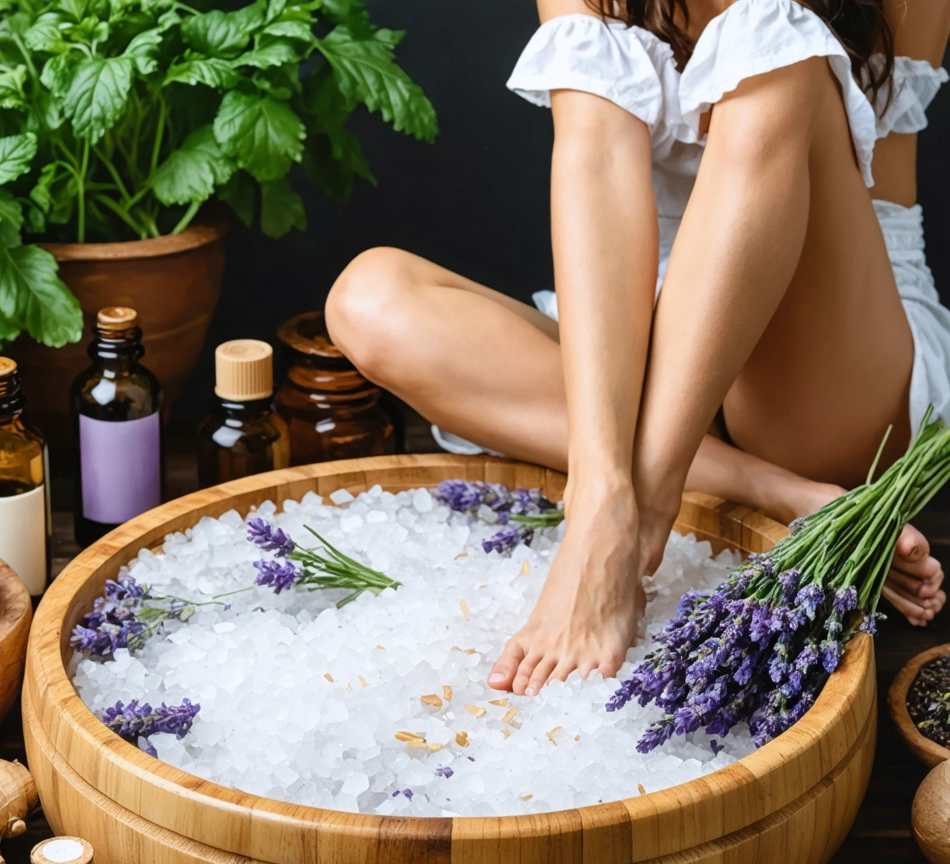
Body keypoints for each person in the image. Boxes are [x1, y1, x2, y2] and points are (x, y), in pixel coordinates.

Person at [325, 0, 950, 697]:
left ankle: (646, 507)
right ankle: (741, 493)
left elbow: (887, 201)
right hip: (658, 329)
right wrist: (597, 489)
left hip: (832, 340)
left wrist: (628, 514)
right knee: (369, 300)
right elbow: (594, 153)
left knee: (776, 57)